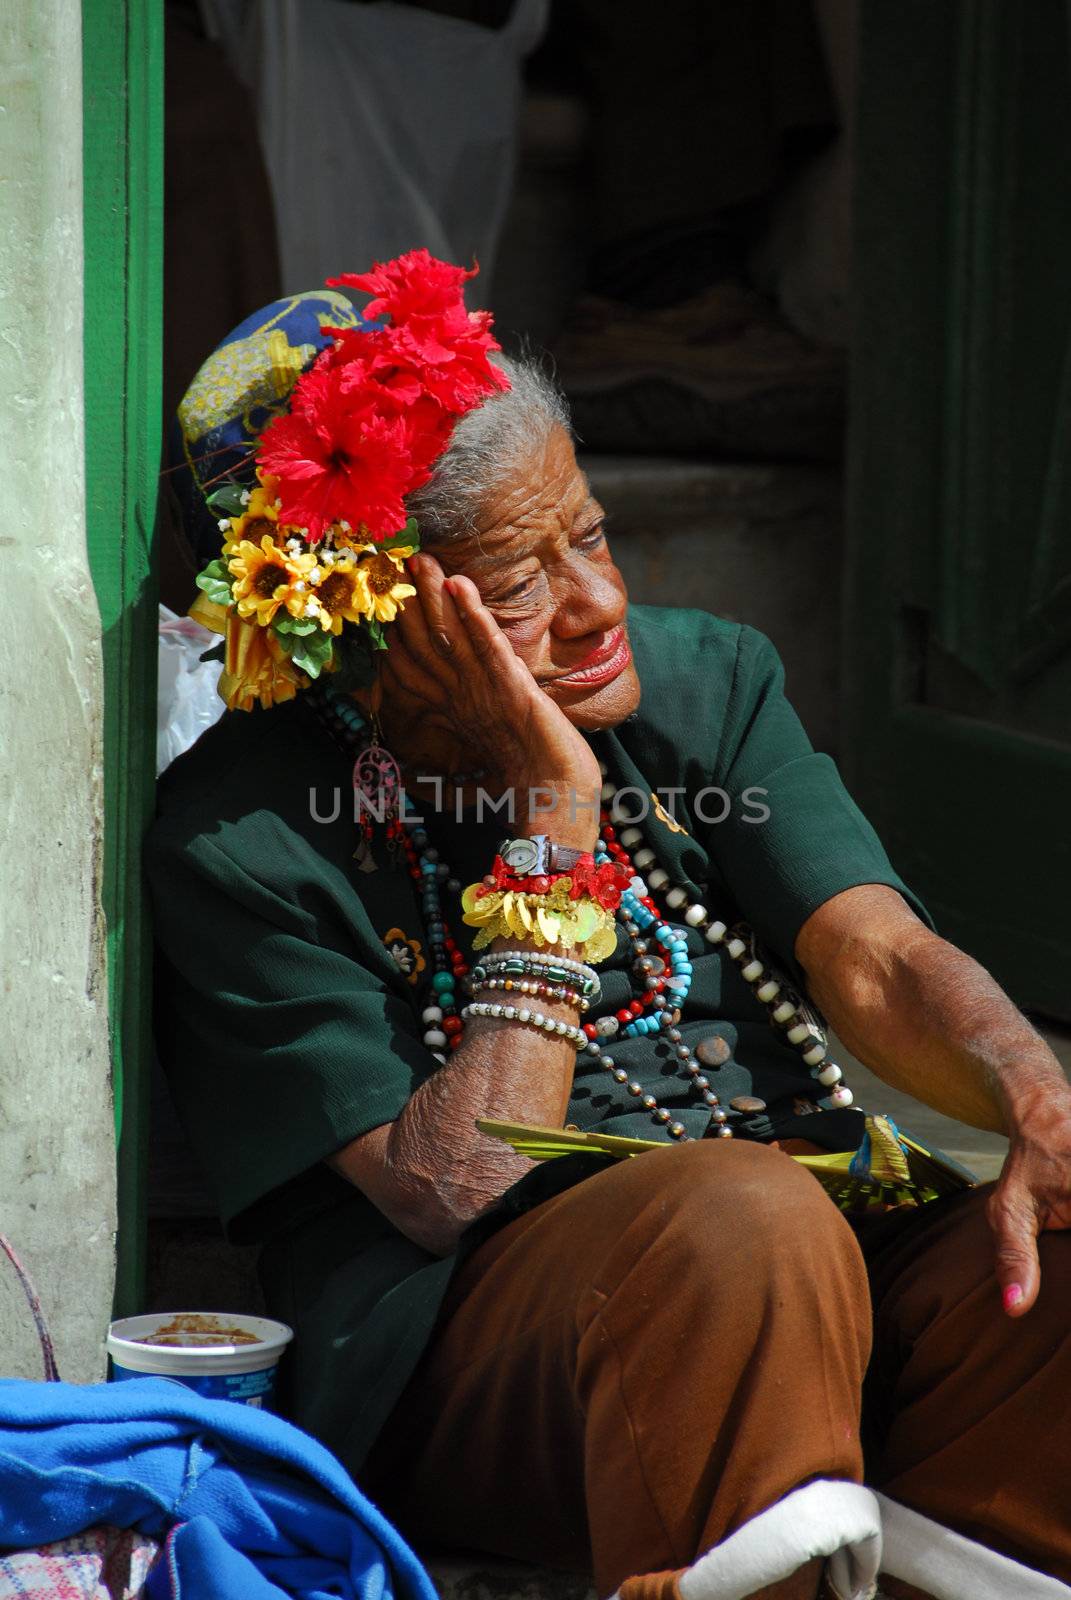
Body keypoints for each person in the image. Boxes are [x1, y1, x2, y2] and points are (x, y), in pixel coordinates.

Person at [148, 253, 1071, 1600]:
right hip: (495, 1346)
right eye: (518, 584)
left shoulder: (708, 683)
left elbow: (869, 953)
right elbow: (447, 1185)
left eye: (589, 532)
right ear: (371, 627)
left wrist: (1029, 1085)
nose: (598, 603)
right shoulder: (240, 838)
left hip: (809, 1266)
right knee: (747, 1225)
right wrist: (547, 821)